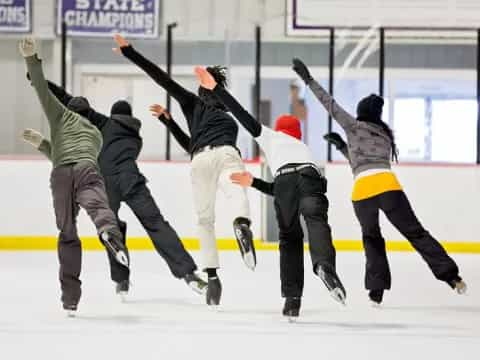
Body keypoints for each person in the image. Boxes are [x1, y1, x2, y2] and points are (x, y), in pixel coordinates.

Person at [292, 58, 467, 305]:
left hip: (362, 191)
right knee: (416, 233)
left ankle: (376, 291)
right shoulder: (385, 136)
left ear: (361, 113)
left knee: (371, 238)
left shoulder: (353, 126)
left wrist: (308, 80)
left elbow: (329, 105)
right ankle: (451, 276)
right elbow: (369, 162)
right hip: (387, 186)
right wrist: (343, 147)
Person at [112, 34, 255, 307]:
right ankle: (241, 223)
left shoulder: (194, 104)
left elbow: (162, 79)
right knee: (236, 191)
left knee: (205, 221)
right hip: (226, 154)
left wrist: (129, 52)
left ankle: (212, 278)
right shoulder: (229, 117)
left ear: (202, 88)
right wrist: (170, 121)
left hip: (200, 160)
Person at [29, 80, 208, 298]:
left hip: (105, 185)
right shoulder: (136, 138)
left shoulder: (104, 123)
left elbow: (67, 100)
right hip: (132, 181)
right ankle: (188, 273)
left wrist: (41, 82)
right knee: (156, 224)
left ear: (113, 115)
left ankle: (121, 279)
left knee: (111, 229)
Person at [194, 66, 347, 319]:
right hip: (310, 178)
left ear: (278, 128)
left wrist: (216, 90)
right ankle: (324, 267)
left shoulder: (271, 137)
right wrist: (253, 181)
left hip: (284, 181)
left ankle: (291, 300)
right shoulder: (304, 147)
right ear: (297, 133)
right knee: (317, 223)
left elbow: (241, 115)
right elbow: (303, 181)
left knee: (289, 239)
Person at [18, 37, 128, 315]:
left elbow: (42, 90)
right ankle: (110, 234)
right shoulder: (95, 134)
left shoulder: (61, 116)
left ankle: (70, 299)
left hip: (61, 174)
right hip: (86, 169)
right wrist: (42, 142)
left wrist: (31, 58)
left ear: (70, 109)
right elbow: (77, 153)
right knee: (99, 208)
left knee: (67, 234)